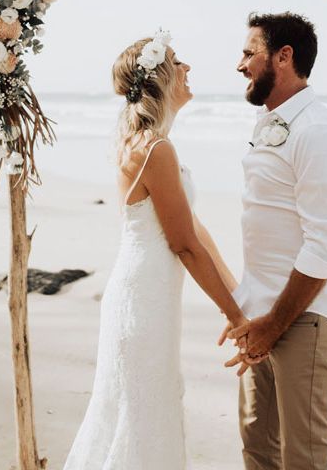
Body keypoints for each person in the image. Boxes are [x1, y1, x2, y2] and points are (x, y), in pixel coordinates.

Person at [63, 30, 245, 470]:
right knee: (142, 412)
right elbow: (183, 244)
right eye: (179, 62)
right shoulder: (155, 149)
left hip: (150, 297)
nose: (188, 69)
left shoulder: (152, 145)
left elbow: (197, 233)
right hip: (142, 301)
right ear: (161, 78)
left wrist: (240, 299)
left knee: (148, 408)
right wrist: (235, 316)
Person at [222, 12, 327, 470]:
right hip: (263, 314)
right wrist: (250, 315)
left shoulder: (318, 131)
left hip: (306, 319)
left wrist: (273, 325)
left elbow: (324, 246)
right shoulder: (273, 122)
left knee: (306, 459)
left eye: (248, 53)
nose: (239, 65)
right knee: (258, 448)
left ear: (284, 57)